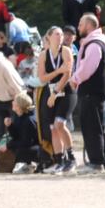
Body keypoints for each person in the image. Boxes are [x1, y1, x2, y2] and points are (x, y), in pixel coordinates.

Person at [69, 13, 105, 173]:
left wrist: (75, 79)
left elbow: (88, 67)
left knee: (92, 127)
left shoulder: (93, 44)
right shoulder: (95, 42)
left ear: (89, 26)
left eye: (80, 24)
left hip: (91, 90)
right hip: (95, 91)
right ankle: (104, 160)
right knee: (100, 126)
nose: (78, 28)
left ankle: (96, 162)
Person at [37, 27, 77, 174]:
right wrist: (57, 71)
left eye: (61, 34)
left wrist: (55, 92)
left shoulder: (66, 51)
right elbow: (42, 77)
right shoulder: (43, 55)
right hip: (51, 93)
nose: (60, 37)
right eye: (56, 34)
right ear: (48, 37)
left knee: (60, 124)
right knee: (53, 128)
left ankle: (71, 158)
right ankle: (59, 160)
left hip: (65, 92)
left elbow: (67, 74)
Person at [4, 92, 40, 174]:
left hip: (36, 149)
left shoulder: (28, 120)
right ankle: (26, 163)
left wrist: (8, 145)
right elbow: (16, 136)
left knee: (18, 149)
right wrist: (9, 126)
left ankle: (29, 164)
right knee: (6, 143)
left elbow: (26, 142)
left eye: (15, 101)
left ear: (19, 106)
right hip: (28, 145)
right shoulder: (18, 116)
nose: (12, 102)